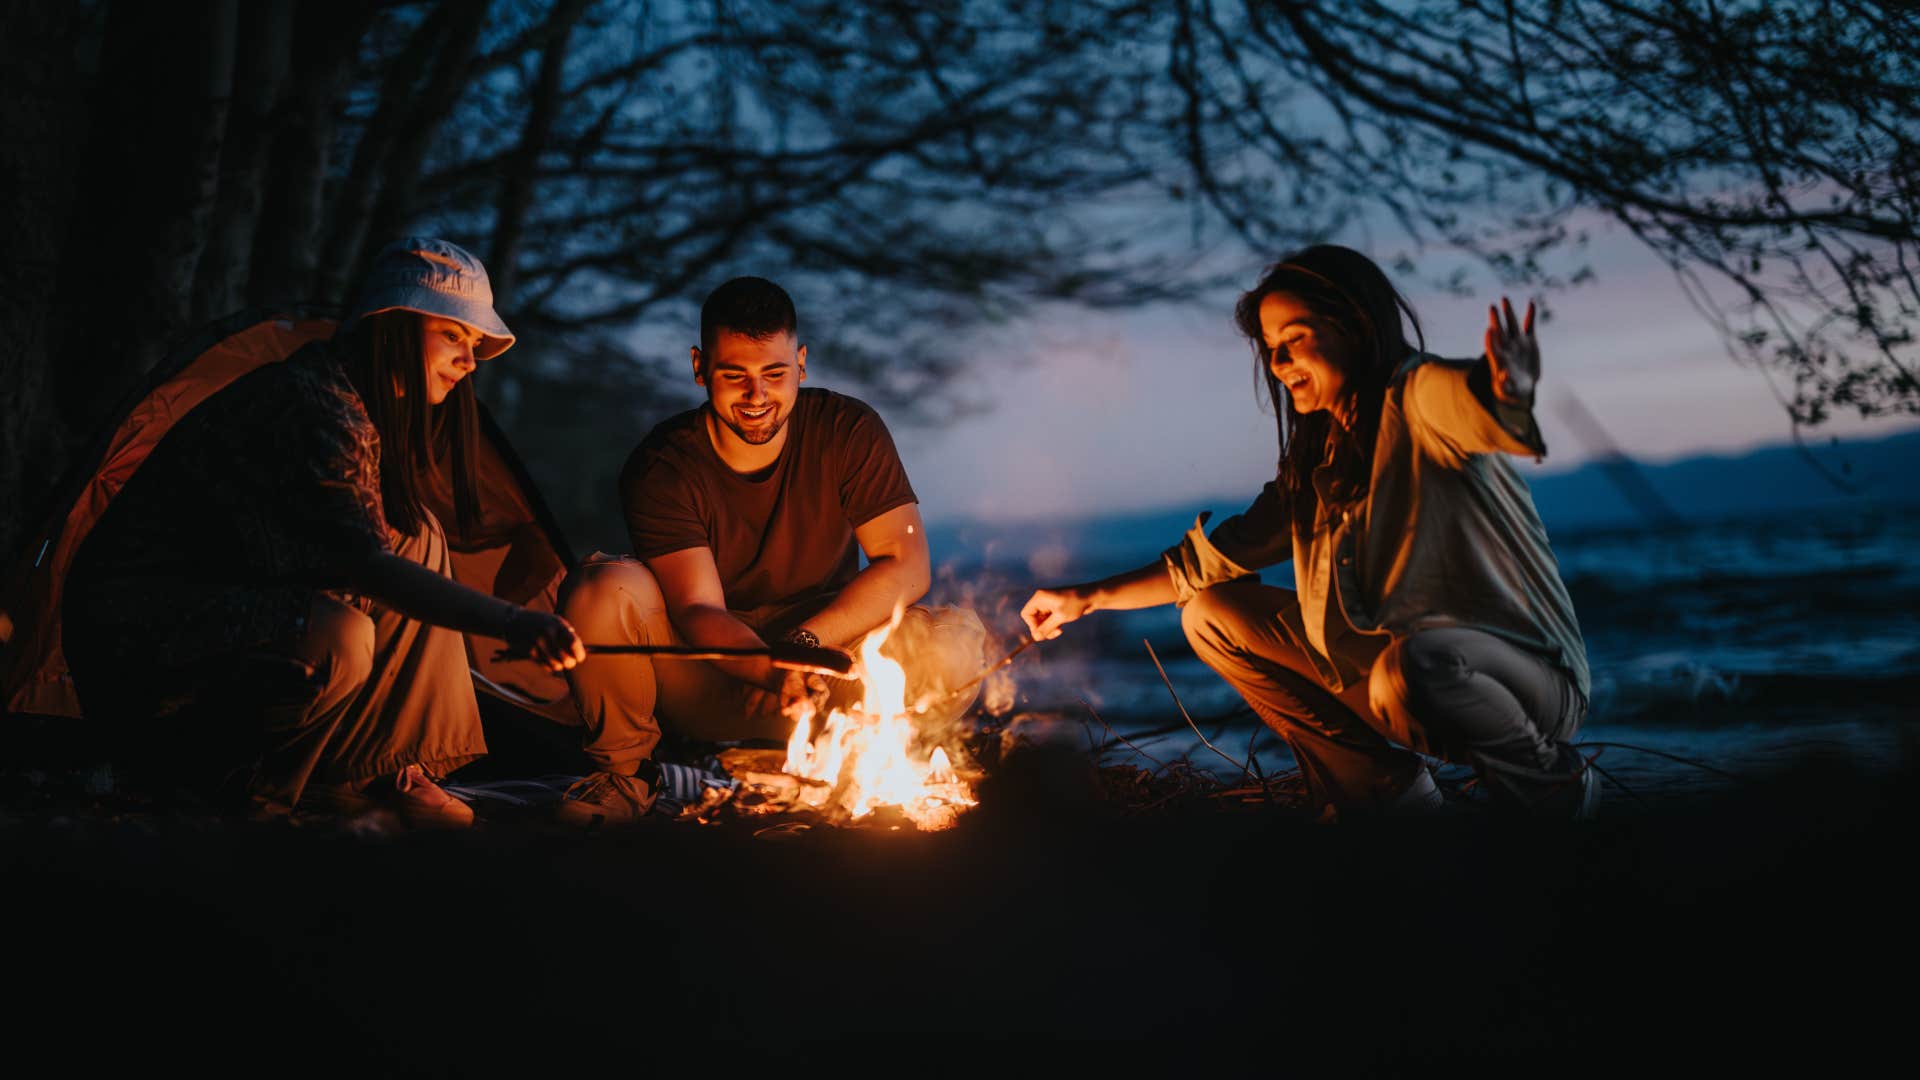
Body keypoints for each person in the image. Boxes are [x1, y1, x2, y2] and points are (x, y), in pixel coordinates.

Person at [1020, 245, 1596, 819]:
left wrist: (1504, 390)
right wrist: (1084, 598)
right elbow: (1201, 565)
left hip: (1527, 687)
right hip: (1406, 680)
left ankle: (1555, 788)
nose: (1278, 361)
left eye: (1294, 338)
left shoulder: (1418, 395)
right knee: (1208, 613)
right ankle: (1386, 792)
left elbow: (1471, 403)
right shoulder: (1317, 461)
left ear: (1353, 327)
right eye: (1270, 346)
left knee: (1413, 664)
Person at [63, 238, 585, 826]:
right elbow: (368, 568)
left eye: (475, 345)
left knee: (416, 533)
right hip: (137, 650)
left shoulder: (355, 405)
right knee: (336, 635)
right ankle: (246, 799)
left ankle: (375, 771)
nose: (470, 361)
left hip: (216, 621)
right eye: (453, 335)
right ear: (392, 325)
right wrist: (511, 621)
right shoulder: (311, 404)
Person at [554, 276, 984, 824]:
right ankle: (626, 777)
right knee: (601, 588)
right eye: (735, 375)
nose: (757, 396)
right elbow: (697, 607)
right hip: (709, 676)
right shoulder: (664, 465)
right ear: (699, 368)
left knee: (952, 646)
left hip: (827, 672)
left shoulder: (847, 430)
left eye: (774, 374)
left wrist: (803, 648)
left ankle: (869, 768)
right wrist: (775, 668)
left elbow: (907, 567)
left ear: (801, 364)